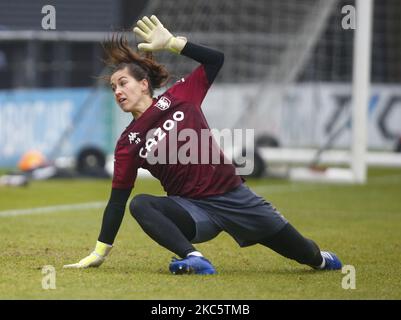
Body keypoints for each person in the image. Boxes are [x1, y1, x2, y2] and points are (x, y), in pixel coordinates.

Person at [63, 16, 342, 274]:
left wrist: (173, 43)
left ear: (144, 84)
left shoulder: (181, 96)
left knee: (306, 254)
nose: (118, 91)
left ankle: (320, 259)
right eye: (113, 88)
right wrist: (99, 252)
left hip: (235, 197)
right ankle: (194, 258)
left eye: (122, 83)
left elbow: (215, 60)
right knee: (141, 204)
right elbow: (117, 201)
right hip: (193, 210)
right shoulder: (128, 142)